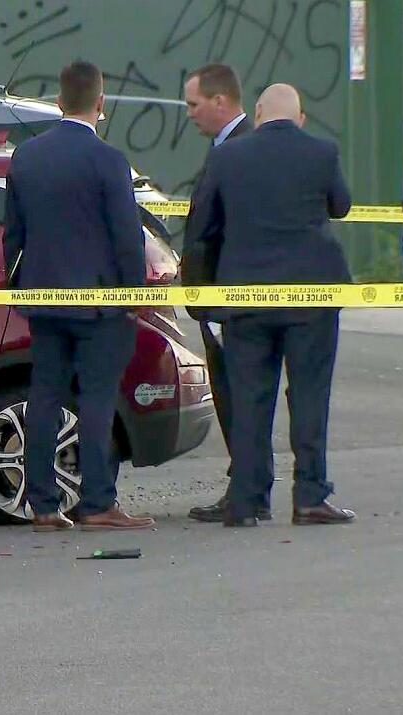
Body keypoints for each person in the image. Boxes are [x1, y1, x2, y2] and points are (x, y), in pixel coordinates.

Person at [185, 83, 354, 527]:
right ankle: (310, 497)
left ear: (258, 114)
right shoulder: (322, 152)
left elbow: (203, 225)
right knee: (310, 395)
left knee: (249, 399)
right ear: (299, 118)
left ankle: (245, 501)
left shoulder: (227, 157)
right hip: (312, 297)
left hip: (244, 297)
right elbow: (341, 206)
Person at [3, 60, 153, 532]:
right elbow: (127, 237)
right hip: (99, 303)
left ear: (59, 100)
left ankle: (43, 505)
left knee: (43, 397)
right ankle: (96, 502)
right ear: (101, 103)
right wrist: (133, 293)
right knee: (96, 399)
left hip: (43, 300)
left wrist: (17, 288)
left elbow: (14, 234)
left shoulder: (26, 157)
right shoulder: (109, 160)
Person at [180, 63, 273, 523]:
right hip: (219, 297)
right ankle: (251, 487)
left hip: (229, 298)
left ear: (221, 101)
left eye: (194, 105)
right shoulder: (228, 148)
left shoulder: (238, 152)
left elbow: (214, 230)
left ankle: (247, 491)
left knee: (238, 397)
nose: (190, 114)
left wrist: (210, 297)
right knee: (237, 395)